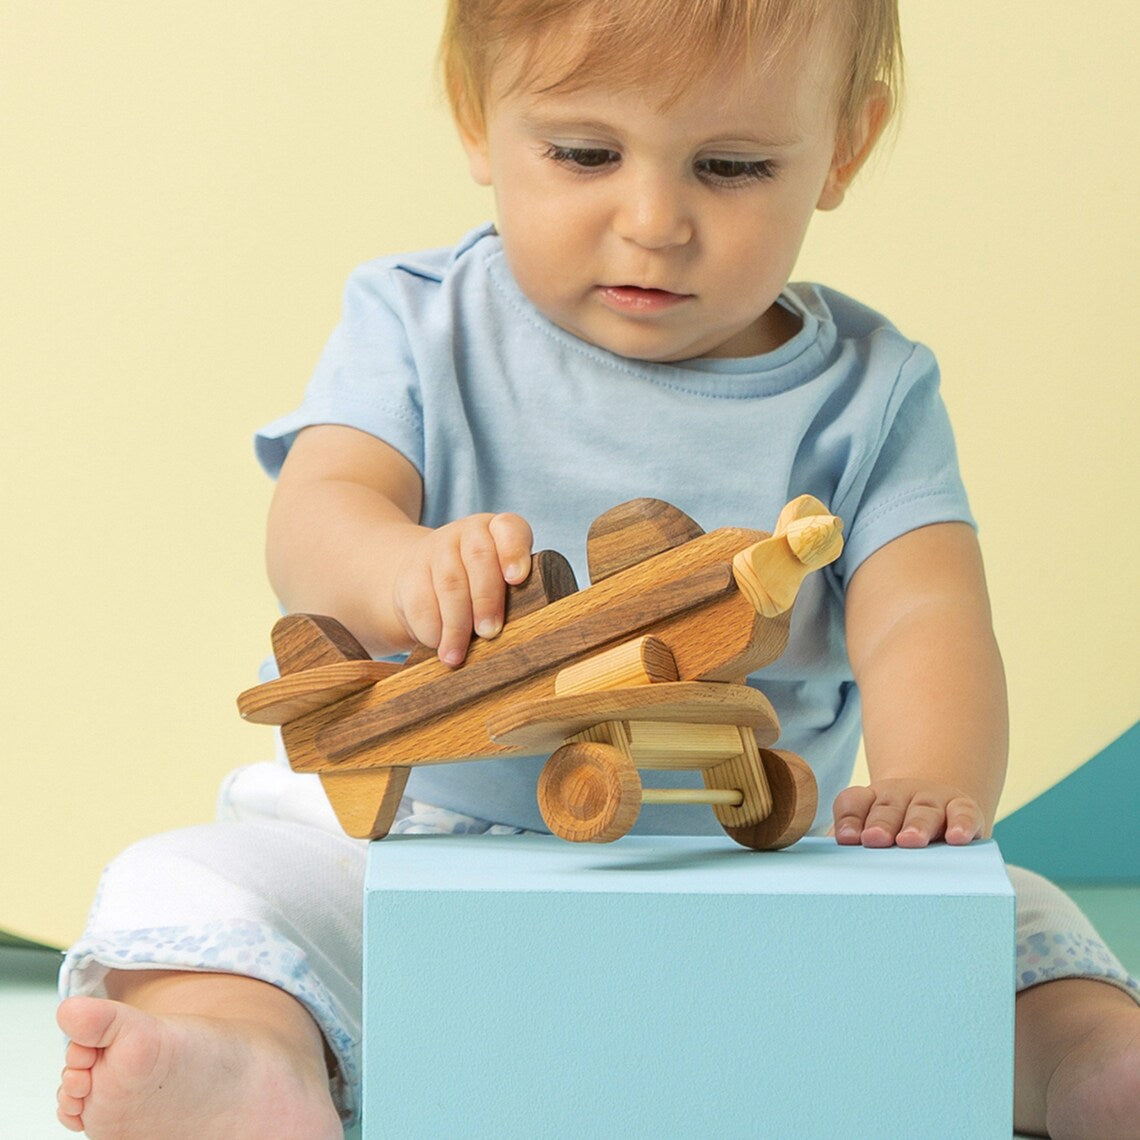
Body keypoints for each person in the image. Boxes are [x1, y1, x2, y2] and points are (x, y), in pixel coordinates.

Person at [55, 1, 1140, 1136]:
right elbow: (319, 512)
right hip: (417, 844)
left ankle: (1085, 1067)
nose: (654, 220)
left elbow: (925, 611)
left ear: (845, 147)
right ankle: (246, 1059)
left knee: (1012, 928)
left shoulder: (871, 392)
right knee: (199, 886)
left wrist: (929, 788)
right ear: (480, 122)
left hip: (754, 870)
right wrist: (402, 568)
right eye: (584, 153)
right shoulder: (420, 321)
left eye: (730, 166)